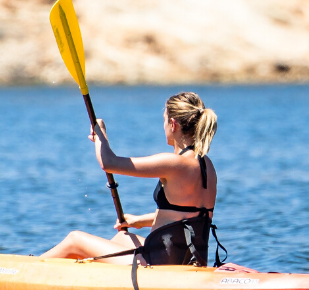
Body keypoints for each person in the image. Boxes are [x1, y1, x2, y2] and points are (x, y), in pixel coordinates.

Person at [41, 91, 225, 267]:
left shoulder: (174, 163)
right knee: (123, 237)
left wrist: (100, 136)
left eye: (163, 121)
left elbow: (109, 162)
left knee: (75, 239)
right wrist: (138, 221)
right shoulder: (207, 166)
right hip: (191, 259)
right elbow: (187, 216)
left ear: (173, 124)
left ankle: (27, 268)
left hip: (161, 264)